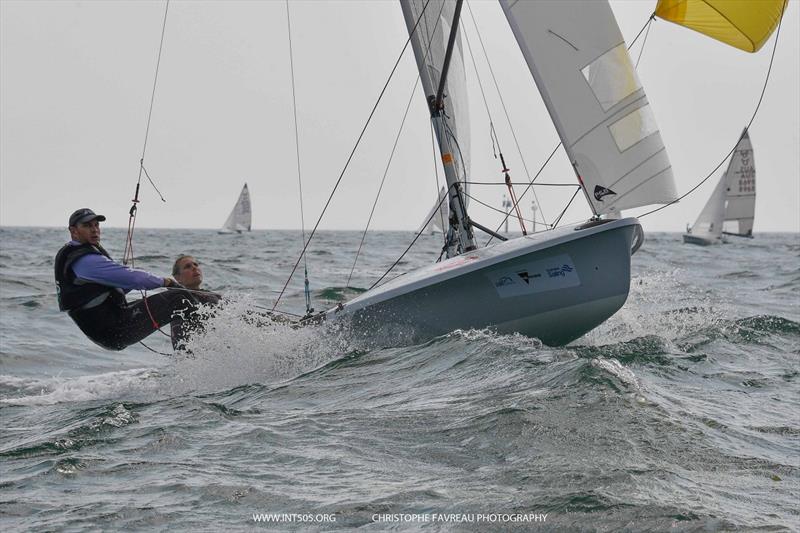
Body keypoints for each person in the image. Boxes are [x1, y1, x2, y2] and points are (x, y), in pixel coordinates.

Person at [54, 208, 204, 351]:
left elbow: (107, 290)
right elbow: (134, 278)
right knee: (178, 298)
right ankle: (198, 351)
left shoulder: (77, 255)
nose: (94, 229)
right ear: (73, 231)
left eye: (96, 225)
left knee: (178, 302)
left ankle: (198, 347)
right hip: (114, 329)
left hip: (110, 324)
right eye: (87, 226)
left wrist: (133, 282)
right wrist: (167, 282)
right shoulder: (85, 261)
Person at [169, 254, 221, 350]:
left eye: (196, 265)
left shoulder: (214, 296)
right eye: (188, 267)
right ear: (177, 278)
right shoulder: (176, 298)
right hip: (191, 354)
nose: (194, 268)